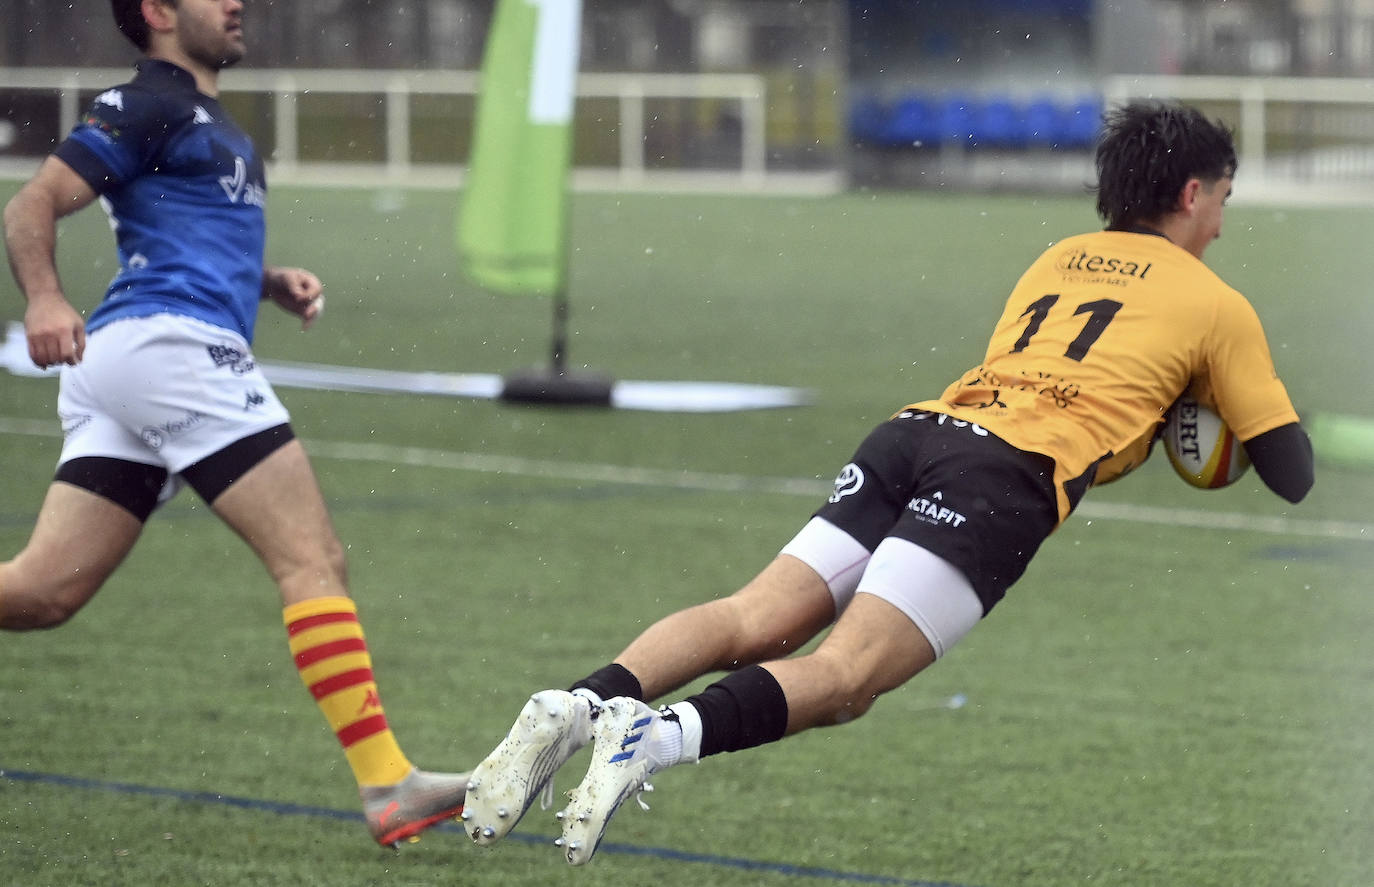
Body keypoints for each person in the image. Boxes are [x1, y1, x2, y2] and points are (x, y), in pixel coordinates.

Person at [458, 100, 1315, 865]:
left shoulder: (1058, 258)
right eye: (1225, 203)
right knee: (846, 678)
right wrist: (1206, 409)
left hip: (919, 431)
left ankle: (579, 702)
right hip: (1004, 475)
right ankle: (652, 736)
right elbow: (1293, 473)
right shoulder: (1216, 304)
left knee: (755, 616)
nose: (1222, 227)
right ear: (1195, 193)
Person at [1, 0, 467, 848]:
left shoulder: (204, 117)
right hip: (172, 350)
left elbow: (187, 236)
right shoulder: (145, 103)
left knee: (41, 593)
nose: (237, 2)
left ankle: (389, 785)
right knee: (312, 557)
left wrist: (264, 279)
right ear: (158, 11)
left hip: (137, 360)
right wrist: (43, 296)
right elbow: (31, 203)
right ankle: (388, 785)